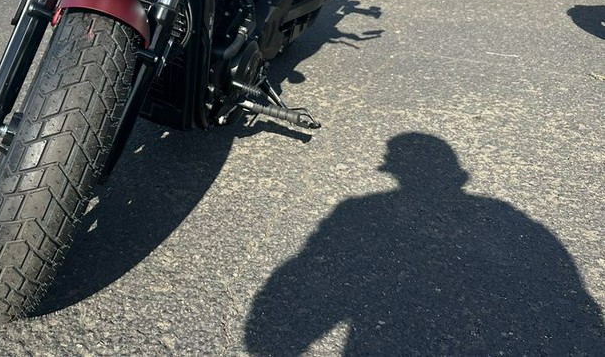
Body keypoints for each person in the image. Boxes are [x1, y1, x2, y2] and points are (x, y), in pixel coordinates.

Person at [246, 133, 605, 356]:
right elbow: (573, 299)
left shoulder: (359, 211)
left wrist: (276, 342)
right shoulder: (509, 216)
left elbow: (307, 273)